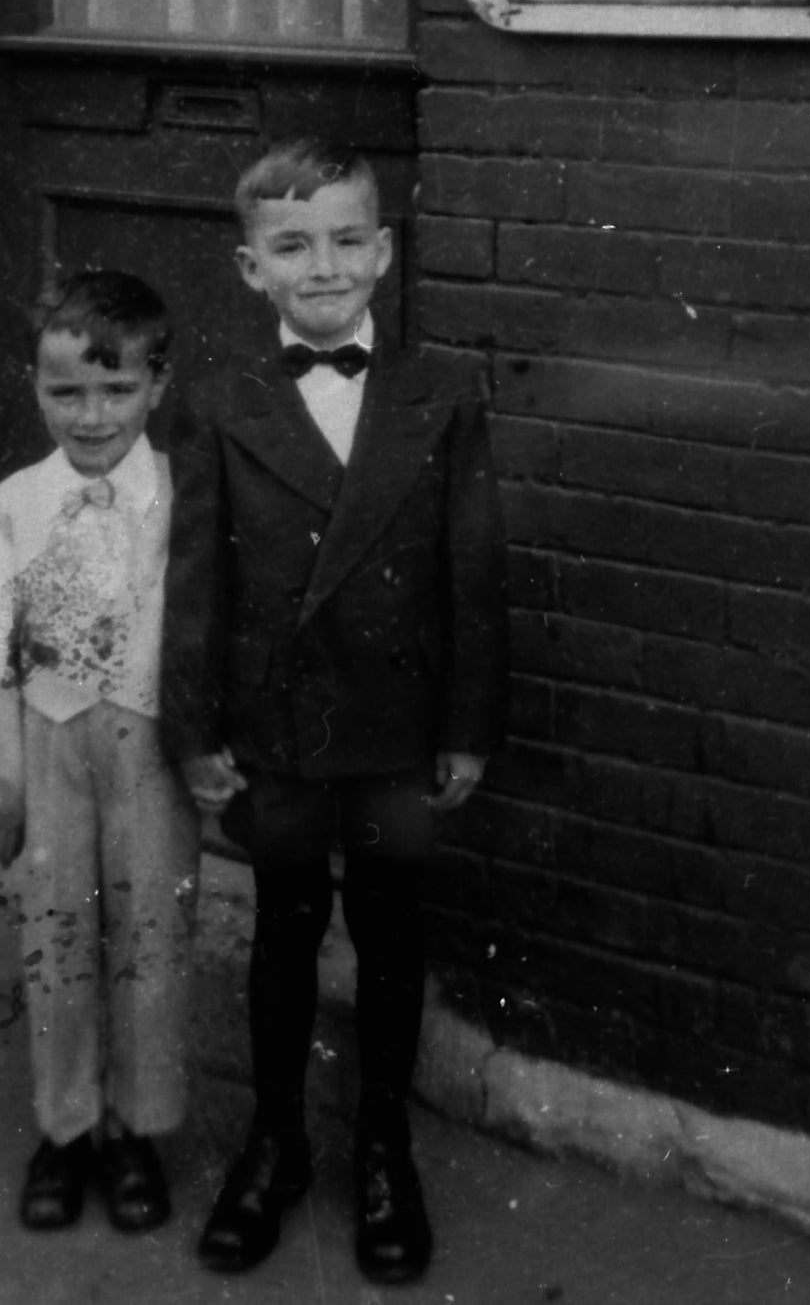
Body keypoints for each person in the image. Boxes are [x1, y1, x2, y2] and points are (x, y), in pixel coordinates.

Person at [160, 137, 509, 1284]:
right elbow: (194, 582)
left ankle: (381, 1149)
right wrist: (194, 731)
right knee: (284, 927)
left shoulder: (439, 393)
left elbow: (472, 569)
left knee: (394, 932)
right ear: (250, 266)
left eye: (348, 240)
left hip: (399, 729)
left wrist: (464, 725)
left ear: (385, 253)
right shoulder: (215, 401)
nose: (324, 266)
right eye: (292, 245)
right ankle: (275, 1144)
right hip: (279, 729)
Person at [0, 271, 198, 1237]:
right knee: (59, 934)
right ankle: (66, 1124)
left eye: (116, 390)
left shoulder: (181, 497)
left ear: (157, 386)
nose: (91, 415)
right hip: (49, 740)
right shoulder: (16, 502)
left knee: (150, 936)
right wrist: (8, 775)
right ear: (34, 388)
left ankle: (137, 1125)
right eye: (65, 392)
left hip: (151, 748)